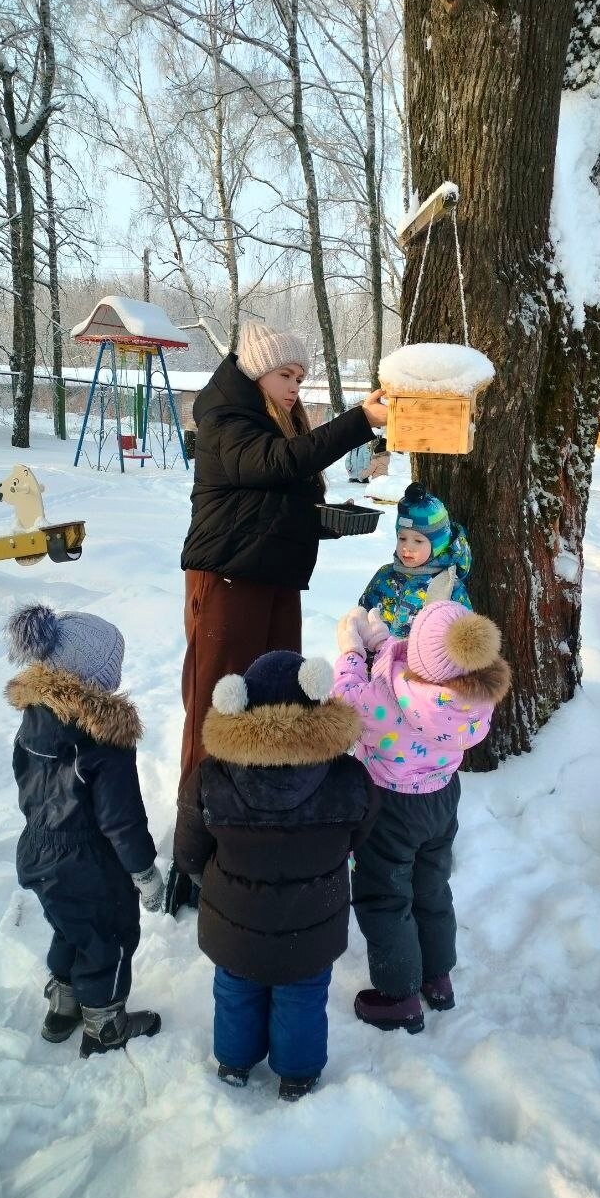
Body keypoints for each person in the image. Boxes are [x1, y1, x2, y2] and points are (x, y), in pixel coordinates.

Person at [171, 322, 387, 912]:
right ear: (256, 370)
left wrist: (324, 521)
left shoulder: (273, 419)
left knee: (274, 701)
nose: (294, 387)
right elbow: (272, 465)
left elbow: (270, 499)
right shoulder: (227, 415)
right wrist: (359, 421)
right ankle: (195, 842)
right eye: (286, 375)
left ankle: (257, 819)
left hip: (274, 581)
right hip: (227, 581)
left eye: (299, 377)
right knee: (216, 706)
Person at [173, 650, 379, 1100]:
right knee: (302, 994)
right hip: (313, 922)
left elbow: (188, 849)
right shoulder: (348, 777)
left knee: (236, 990)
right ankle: (297, 1075)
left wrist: (203, 875)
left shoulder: (211, 777)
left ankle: (234, 1062)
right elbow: (360, 831)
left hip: (235, 922)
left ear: (240, 703)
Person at [332, 599, 510, 1033]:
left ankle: (400, 997)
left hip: (390, 807)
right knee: (431, 887)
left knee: (385, 895)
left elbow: (345, 703)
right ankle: (437, 978)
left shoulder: (389, 698)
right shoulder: (473, 698)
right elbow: (421, 668)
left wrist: (352, 654)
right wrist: (383, 643)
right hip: (442, 799)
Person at [5, 604, 164, 1058]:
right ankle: (106, 1023)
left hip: (38, 850)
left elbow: (25, 782)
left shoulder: (33, 721)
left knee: (69, 926)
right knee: (109, 936)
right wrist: (143, 871)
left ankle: (64, 1005)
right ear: (93, 677)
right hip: (88, 861)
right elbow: (121, 818)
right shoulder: (102, 738)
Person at [358, 482, 473, 638]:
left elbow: (463, 639)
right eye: (402, 538)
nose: (407, 547)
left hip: (421, 654)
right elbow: (363, 614)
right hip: (378, 652)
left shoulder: (448, 587)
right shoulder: (384, 575)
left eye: (418, 541)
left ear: (438, 545)